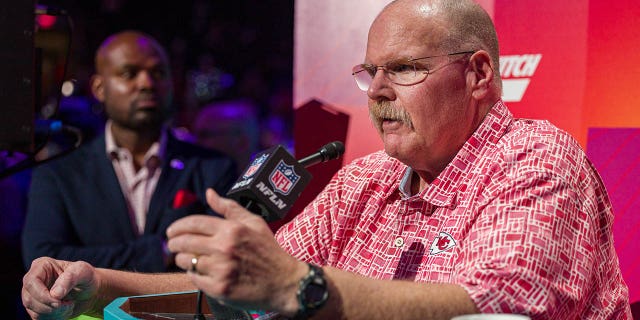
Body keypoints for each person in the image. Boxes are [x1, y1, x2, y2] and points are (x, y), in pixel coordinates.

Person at [22, 1, 632, 319]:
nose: (382, 91)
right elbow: (250, 285)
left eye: (407, 69)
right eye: (373, 73)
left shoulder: (537, 158)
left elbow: (502, 307)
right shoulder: (365, 181)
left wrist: (300, 288)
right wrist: (99, 288)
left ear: (477, 75)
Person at [21, 30, 237, 273]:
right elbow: (44, 261)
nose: (147, 83)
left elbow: (221, 255)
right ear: (99, 88)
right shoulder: (58, 174)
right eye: (129, 73)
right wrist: (161, 252)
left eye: (158, 73)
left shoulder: (213, 167)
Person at [192, 99, 260, 173]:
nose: (196, 142)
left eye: (204, 135)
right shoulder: (200, 178)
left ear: (241, 142)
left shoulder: (266, 179)